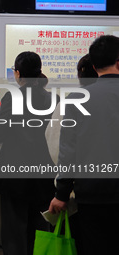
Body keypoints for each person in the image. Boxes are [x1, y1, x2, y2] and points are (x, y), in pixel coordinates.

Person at [49, 35, 119, 255]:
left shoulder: (76, 100)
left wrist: (62, 193)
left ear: (94, 65)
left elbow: (68, 151)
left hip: (92, 194)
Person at [0, 51, 58, 255]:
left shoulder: (13, 97)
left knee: (15, 232)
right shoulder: (53, 99)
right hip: (45, 174)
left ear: (17, 73)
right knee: (41, 230)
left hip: (16, 175)